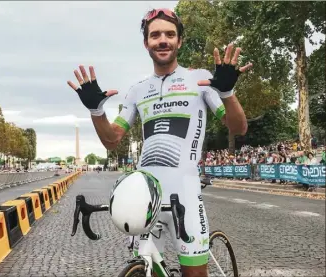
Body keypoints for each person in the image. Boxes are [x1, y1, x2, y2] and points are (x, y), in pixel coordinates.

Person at [67, 8, 252, 277]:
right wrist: (96, 111)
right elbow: (111, 140)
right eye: (155, 35)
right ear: (146, 43)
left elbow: (238, 127)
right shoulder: (137, 90)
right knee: (150, 269)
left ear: (180, 41)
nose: (162, 40)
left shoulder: (200, 80)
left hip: (185, 195)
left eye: (169, 34)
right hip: (144, 195)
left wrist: (226, 92)